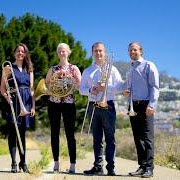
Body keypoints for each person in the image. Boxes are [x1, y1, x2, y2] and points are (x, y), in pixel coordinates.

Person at [79, 42, 125, 176]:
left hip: (108, 105)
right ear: (92, 53)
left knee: (110, 138)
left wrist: (105, 87)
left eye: (100, 51)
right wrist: (91, 90)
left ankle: (111, 168)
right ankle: (98, 166)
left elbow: (120, 87)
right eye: (96, 51)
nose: (98, 53)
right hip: (93, 105)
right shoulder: (87, 71)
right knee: (97, 138)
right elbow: (81, 89)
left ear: (104, 52)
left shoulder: (113, 69)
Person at [123, 42, 159, 178]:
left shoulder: (149, 65)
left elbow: (155, 86)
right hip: (133, 105)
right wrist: (127, 92)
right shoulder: (130, 70)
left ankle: (149, 168)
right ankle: (142, 166)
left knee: (147, 138)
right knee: (138, 138)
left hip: (146, 105)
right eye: (130, 50)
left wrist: (152, 105)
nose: (132, 52)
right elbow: (130, 88)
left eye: (135, 50)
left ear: (141, 51)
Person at [45, 43, 81, 174]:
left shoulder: (74, 68)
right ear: (57, 53)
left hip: (68, 103)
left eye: (64, 51)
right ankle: (56, 163)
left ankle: (72, 164)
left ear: (68, 52)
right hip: (53, 102)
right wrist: (52, 89)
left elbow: (79, 86)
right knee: (54, 133)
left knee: (70, 134)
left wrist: (71, 78)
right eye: (59, 51)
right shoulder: (53, 69)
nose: (61, 53)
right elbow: (47, 84)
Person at [0, 43, 35, 173]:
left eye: (23, 51)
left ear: (25, 54)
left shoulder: (29, 69)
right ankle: (14, 162)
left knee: (22, 133)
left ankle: (23, 162)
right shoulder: (8, 68)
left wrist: (33, 106)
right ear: (14, 53)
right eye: (18, 51)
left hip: (26, 101)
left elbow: (32, 89)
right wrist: (7, 98)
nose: (20, 53)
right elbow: (2, 88)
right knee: (13, 133)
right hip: (14, 101)